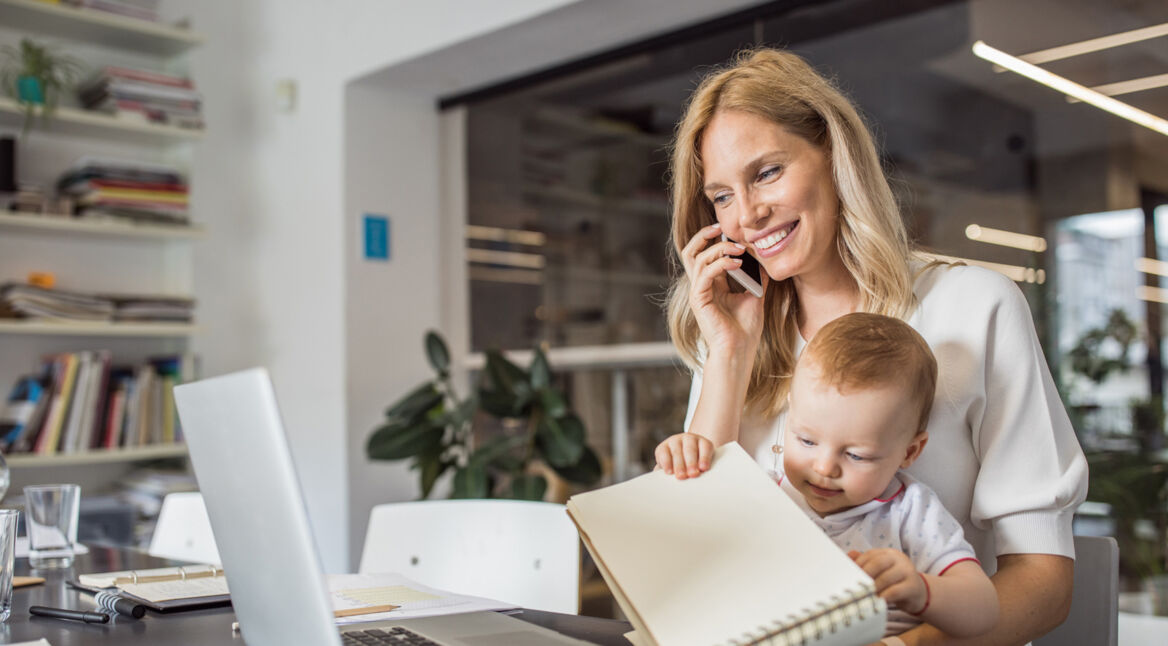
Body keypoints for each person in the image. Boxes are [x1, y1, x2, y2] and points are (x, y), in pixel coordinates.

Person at [660, 48, 1088, 646]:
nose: (748, 217)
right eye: (722, 196)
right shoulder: (735, 330)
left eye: (767, 173)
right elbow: (696, 549)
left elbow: (1045, 583)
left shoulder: (975, 307)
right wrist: (729, 356)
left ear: (835, 158)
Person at [657, 312, 999, 638]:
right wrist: (683, 455)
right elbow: (686, 528)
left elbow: (983, 608)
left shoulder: (911, 512)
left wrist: (924, 591)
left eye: (855, 455)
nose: (824, 468)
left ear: (909, 452)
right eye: (806, 440)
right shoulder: (762, 494)